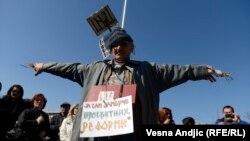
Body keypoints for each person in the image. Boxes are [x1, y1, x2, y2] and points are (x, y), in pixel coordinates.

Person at [30, 27, 222, 141]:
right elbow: (69, 68)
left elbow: (177, 70)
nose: (118, 47)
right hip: (96, 135)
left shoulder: (148, 70)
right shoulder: (93, 69)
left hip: (132, 133)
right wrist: (44, 66)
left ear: (132, 47)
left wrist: (201, 71)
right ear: (110, 48)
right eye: (114, 44)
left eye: (124, 44)